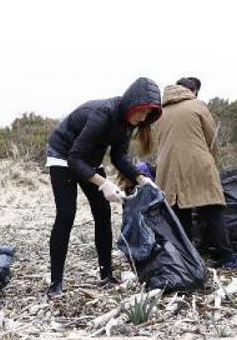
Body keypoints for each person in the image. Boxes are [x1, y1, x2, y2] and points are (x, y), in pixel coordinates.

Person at [45, 77, 162, 297]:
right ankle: (55, 283)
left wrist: (141, 179)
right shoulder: (105, 114)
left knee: (103, 213)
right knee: (66, 215)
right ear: (133, 103)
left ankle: (106, 275)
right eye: (142, 111)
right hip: (63, 156)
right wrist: (104, 183)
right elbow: (74, 158)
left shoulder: (127, 123)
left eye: (148, 114)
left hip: (88, 159)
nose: (143, 118)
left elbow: (118, 157)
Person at [153, 77, 237, 270]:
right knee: (212, 211)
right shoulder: (197, 104)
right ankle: (228, 259)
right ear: (193, 90)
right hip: (198, 164)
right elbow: (212, 139)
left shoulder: (160, 111)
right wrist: (211, 161)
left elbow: (157, 141)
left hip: (168, 169)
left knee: (180, 216)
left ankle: (187, 261)